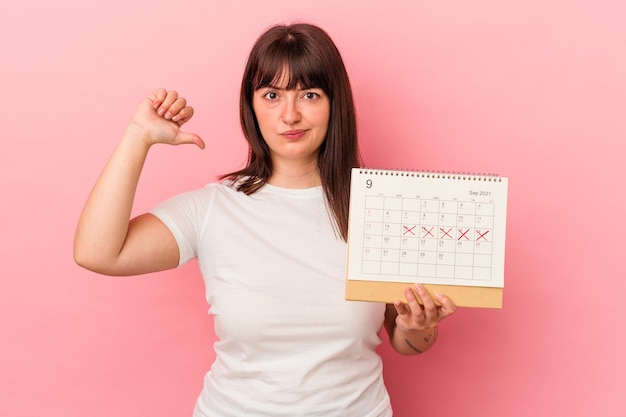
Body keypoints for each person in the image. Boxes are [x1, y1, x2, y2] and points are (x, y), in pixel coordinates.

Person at [74, 22, 456, 417]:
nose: (290, 115)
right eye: (272, 95)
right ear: (251, 105)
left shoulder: (381, 210)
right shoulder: (212, 209)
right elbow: (97, 253)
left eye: (309, 94)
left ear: (334, 104)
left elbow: (407, 340)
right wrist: (139, 135)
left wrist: (416, 328)